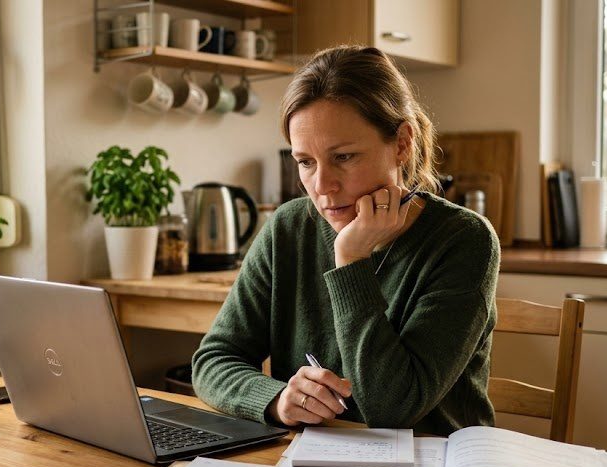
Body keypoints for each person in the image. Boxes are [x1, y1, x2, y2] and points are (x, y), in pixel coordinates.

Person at [191, 46, 500, 436]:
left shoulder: (464, 241)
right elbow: (214, 359)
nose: (322, 186)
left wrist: (351, 261)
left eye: (345, 157)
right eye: (306, 162)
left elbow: (391, 408)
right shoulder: (287, 228)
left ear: (402, 143)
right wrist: (277, 398)